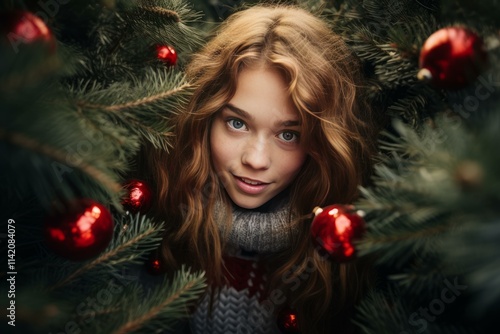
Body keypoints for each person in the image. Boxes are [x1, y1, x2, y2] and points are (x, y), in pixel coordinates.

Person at [145, 3, 378, 334]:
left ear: (322, 145)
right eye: (237, 123)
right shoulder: (151, 225)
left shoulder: (344, 258)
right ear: (205, 119)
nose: (255, 159)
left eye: (288, 135)